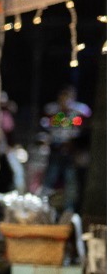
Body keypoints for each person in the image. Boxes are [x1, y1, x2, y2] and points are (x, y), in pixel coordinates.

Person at [40, 84, 92, 212]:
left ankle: (69, 212)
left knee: (71, 184)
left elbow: (85, 129)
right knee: (49, 182)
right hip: (55, 152)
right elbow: (46, 126)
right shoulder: (53, 111)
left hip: (71, 154)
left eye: (67, 98)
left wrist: (74, 143)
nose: (65, 101)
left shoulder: (80, 112)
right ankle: (43, 208)